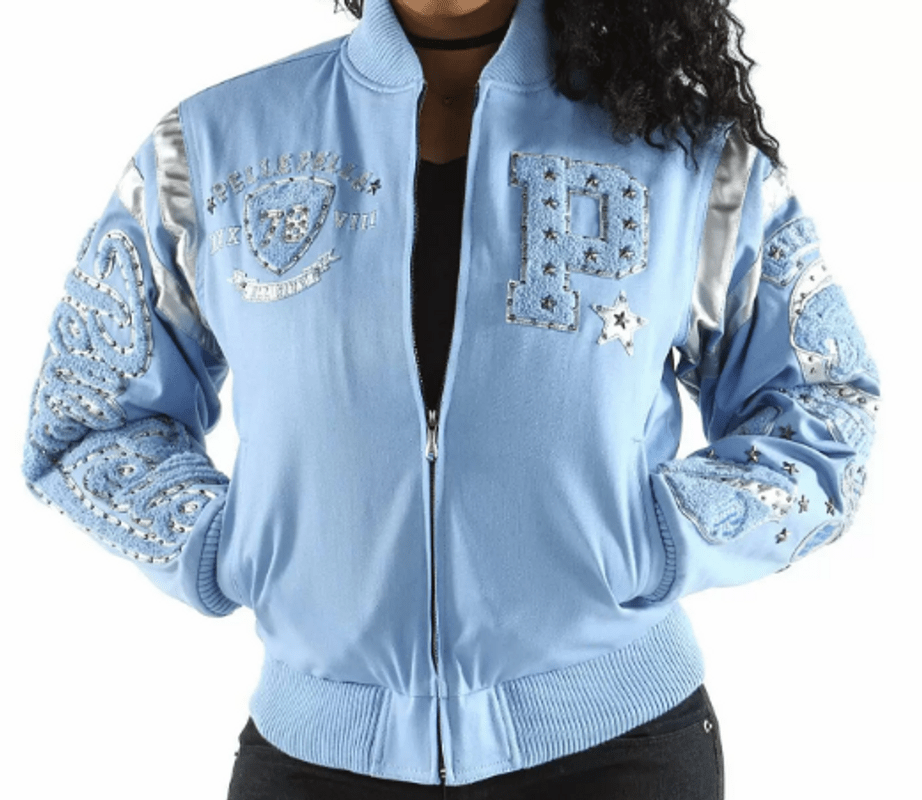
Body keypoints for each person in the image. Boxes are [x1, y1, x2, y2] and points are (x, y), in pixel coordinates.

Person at [20, 0, 880, 797]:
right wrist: (229, 544)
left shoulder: (678, 150)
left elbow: (826, 404)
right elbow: (85, 415)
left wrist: (655, 539)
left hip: (618, 753)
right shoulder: (212, 146)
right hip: (314, 762)